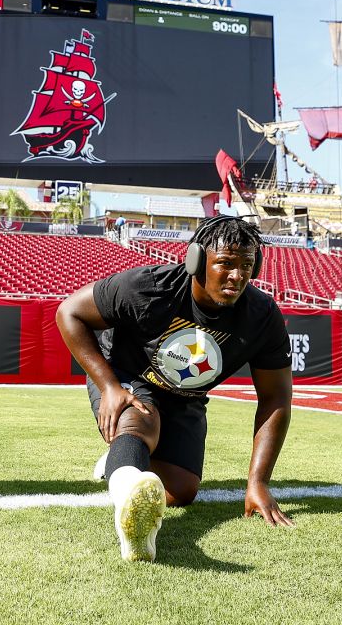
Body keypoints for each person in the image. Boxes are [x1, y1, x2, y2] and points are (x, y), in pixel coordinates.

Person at [56, 215, 295, 562]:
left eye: (246, 265)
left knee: (181, 489)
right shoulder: (150, 287)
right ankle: (129, 507)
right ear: (196, 259)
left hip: (186, 395)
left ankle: (121, 459)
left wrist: (258, 481)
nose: (237, 275)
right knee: (142, 421)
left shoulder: (261, 315)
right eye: (226, 263)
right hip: (127, 373)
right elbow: (69, 313)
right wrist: (108, 386)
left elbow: (276, 397)